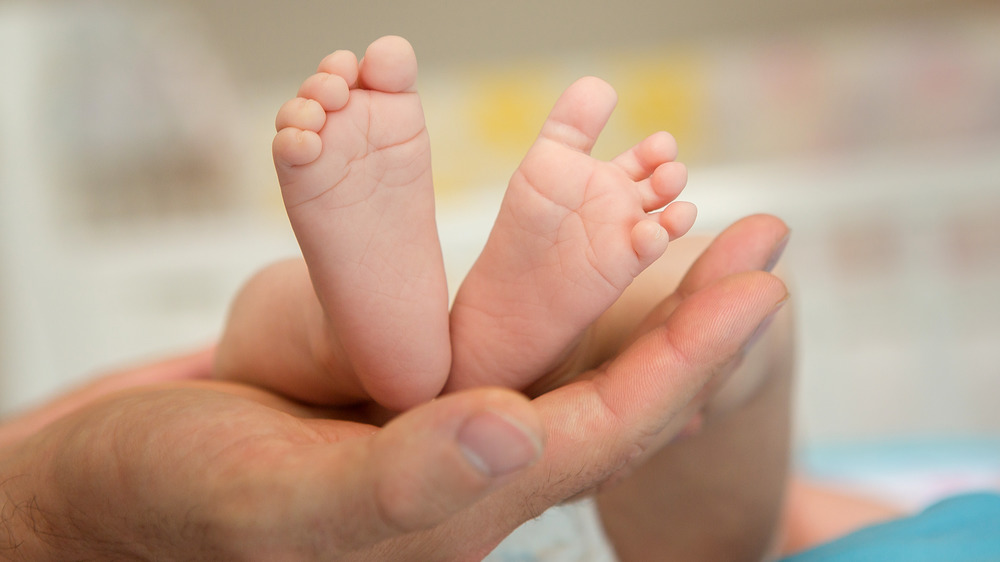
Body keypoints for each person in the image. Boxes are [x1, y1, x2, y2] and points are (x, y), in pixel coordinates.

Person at [0, 35, 792, 560]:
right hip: (585, 522)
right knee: (719, 319)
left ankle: (347, 345)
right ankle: (541, 351)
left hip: (245, 494)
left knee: (256, 352)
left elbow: (78, 427)